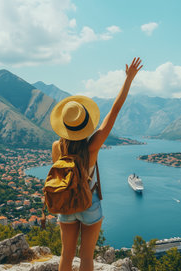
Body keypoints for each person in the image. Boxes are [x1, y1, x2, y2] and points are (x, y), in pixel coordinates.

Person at [49, 57, 143, 271]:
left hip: (65, 203)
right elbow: (115, 110)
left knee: (66, 255)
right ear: (85, 124)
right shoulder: (92, 147)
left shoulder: (57, 147)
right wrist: (128, 79)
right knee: (86, 258)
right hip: (88, 202)